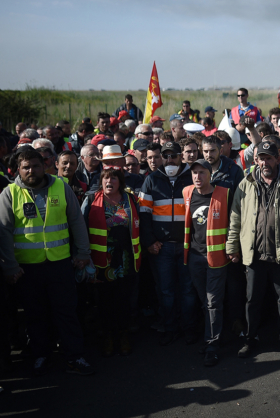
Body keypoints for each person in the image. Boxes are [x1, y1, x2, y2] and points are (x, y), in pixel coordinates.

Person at [0, 148, 95, 375]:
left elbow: (76, 222)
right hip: (27, 269)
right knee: (35, 315)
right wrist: (10, 266)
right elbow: (3, 232)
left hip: (60, 263)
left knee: (66, 312)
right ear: (18, 170)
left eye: (35, 165)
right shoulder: (9, 194)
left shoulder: (60, 187)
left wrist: (83, 252)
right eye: (26, 167)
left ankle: (75, 356)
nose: (31, 170)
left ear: (44, 166)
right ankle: (41, 356)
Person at [227, 141, 280, 359]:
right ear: (255, 160)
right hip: (253, 253)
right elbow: (235, 216)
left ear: (278, 158)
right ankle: (250, 337)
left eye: (269, 157)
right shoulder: (246, 183)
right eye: (261, 158)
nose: (265, 162)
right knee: (252, 299)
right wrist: (232, 246)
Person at [138, 141, 196, 346]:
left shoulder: (192, 178)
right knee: (166, 291)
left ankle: (188, 329)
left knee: (188, 291)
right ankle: (170, 328)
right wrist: (150, 241)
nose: (169, 160)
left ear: (181, 156)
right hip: (161, 248)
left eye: (174, 156)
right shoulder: (151, 180)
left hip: (187, 246)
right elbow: (143, 216)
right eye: (166, 156)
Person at [82, 167, 141, 357]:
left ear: (120, 182)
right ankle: (107, 336)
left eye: (114, 178)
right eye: (106, 178)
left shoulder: (130, 199)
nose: (109, 182)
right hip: (102, 260)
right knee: (105, 299)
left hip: (125, 259)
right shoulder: (91, 200)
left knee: (124, 299)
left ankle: (123, 335)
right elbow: (81, 227)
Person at [183, 159, 230, 367]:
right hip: (194, 256)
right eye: (194, 173)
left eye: (202, 173)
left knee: (212, 302)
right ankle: (211, 337)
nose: (197, 177)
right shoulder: (187, 193)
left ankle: (212, 345)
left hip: (217, 257)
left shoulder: (224, 193)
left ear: (210, 175)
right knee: (205, 301)